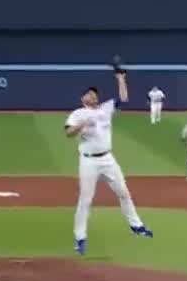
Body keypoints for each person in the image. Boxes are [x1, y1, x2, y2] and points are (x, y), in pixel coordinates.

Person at [63, 70, 153, 256]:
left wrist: (121, 78)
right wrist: (82, 124)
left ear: (97, 99)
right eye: (89, 94)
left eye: (94, 94)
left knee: (123, 193)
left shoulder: (106, 108)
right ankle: (80, 238)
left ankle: (136, 226)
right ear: (83, 98)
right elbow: (68, 133)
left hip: (108, 159)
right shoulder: (78, 114)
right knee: (85, 200)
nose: (92, 96)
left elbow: (124, 99)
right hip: (88, 162)